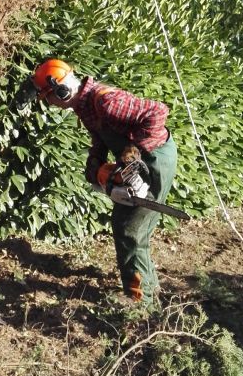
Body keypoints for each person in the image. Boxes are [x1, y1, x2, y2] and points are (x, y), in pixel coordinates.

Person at [29, 58, 177, 306]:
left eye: (48, 98)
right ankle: (149, 286)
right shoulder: (84, 106)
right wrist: (95, 165)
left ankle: (140, 300)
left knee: (129, 228)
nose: (50, 105)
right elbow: (100, 138)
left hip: (154, 159)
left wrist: (133, 151)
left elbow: (158, 111)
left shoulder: (106, 102)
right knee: (134, 226)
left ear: (61, 91)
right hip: (144, 159)